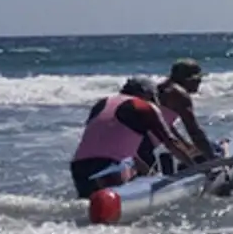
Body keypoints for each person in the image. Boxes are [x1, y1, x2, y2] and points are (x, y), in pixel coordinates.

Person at [70, 79, 200, 197]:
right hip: (109, 167)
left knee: (89, 205)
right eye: (153, 97)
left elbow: (123, 150)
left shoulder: (102, 103)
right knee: (110, 211)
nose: (155, 102)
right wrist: (195, 169)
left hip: (79, 166)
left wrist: (150, 173)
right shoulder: (143, 106)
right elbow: (171, 143)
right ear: (145, 93)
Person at [156, 59, 216, 160]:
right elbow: (194, 131)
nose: (200, 82)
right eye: (197, 79)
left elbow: (164, 124)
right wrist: (213, 159)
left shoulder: (162, 88)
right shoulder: (179, 94)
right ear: (188, 79)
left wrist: (185, 145)